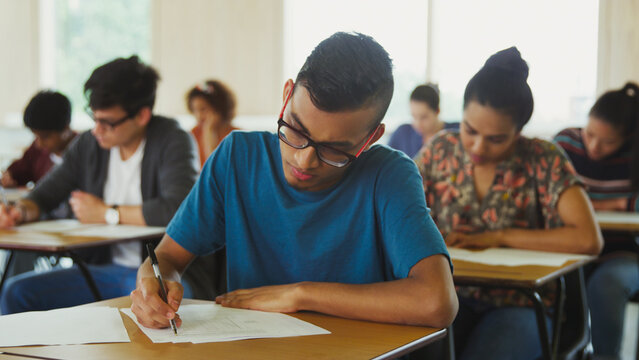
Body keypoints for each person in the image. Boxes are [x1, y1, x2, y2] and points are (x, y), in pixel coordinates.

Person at [130, 32, 458, 331]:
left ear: (370, 138)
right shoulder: (237, 158)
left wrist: (301, 295)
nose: (304, 160)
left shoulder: (389, 175)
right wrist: (152, 285)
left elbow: (436, 301)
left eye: (334, 149)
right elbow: (166, 259)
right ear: (287, 96)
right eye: (296, 130)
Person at [414, 47, 603, 360]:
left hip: (523, 303)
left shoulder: (543, 158)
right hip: (447, 296)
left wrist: (498, 237)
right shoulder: (439, 151)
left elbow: (588, 239)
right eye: (469, 130)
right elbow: (396, 214)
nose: (477, 146)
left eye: (496, 138)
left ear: (519, 131)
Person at [0, 56, 198, 314]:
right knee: (17, 292)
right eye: (94, 119)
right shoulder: (90, 145)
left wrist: (108, 214)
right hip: (101, 271)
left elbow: (179, 209)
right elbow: (45, 195)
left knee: (171, 298)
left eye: (107, 122)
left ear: (141, 115)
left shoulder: (172, 140)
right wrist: (20, 211)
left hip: (157, 272)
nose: (97, 130)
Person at [554, 82, 639, 360]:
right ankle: (565, 352)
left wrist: (610, 203)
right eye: (589, 133)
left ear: (627, 137)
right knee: (554, 286)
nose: (593, 146)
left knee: (606, 285)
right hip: (569, 251)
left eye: (607, 141)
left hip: (620, 252)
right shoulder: (566, 144)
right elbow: (543, 192)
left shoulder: (634, 156)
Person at [1, 90, 76, 188]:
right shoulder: (37, 151)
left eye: (45, 137)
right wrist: (9, 177)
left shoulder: (83, 151)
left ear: (66, 129)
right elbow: (17, 172)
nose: (39, 144)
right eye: (36, 136)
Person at [388, 83, 458, 158]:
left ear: (437, 111)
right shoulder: (402, 134)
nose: (418, 123)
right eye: (414, 116)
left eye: (424, 117)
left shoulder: (456, 132)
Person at [186, 80, 239, 167]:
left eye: (203, 109)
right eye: (195, 110)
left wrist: (210, 132)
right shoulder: (193, 134)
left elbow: (217, 170)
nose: (199, 116)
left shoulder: (236, 136)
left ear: (219, 108)